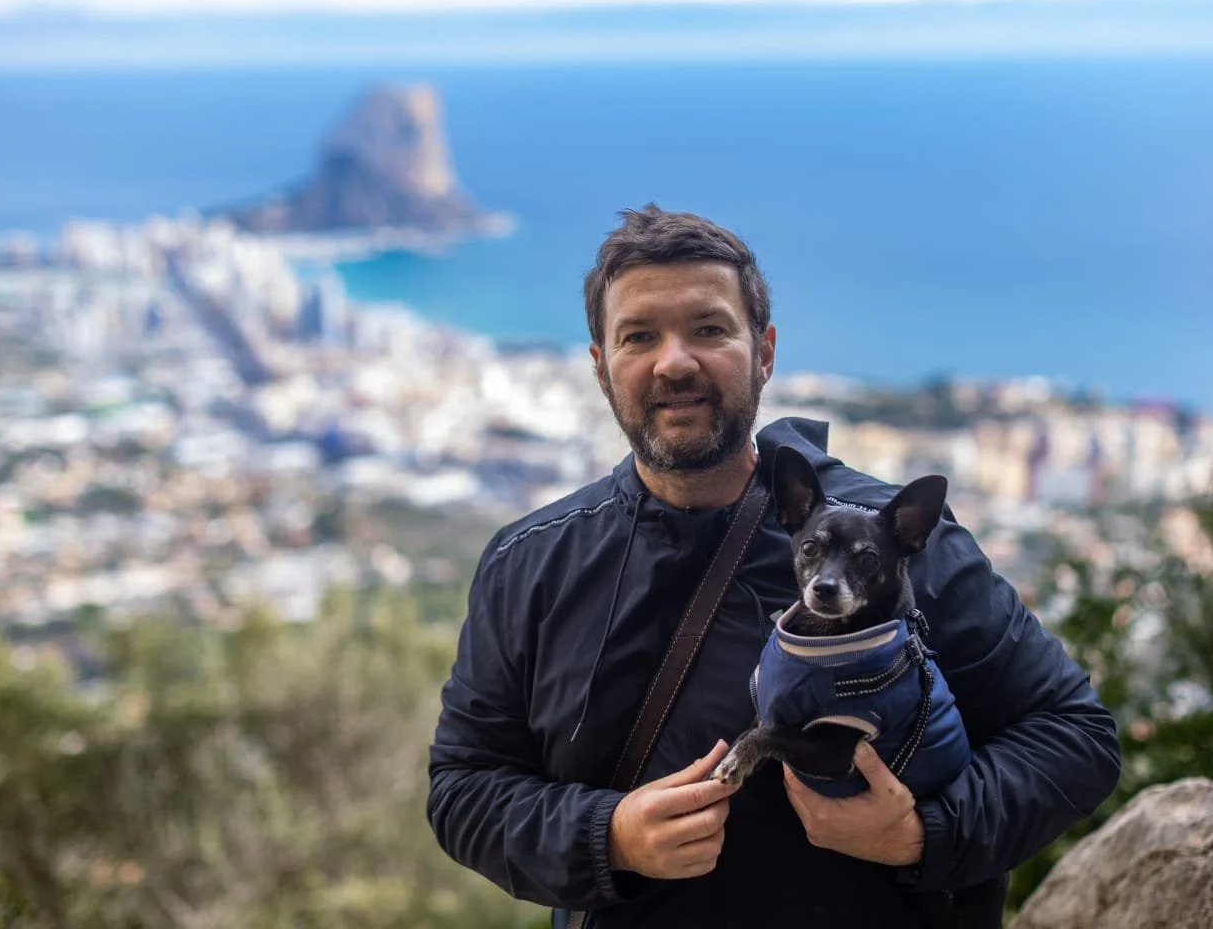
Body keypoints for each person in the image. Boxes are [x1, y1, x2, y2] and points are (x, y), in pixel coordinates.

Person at [427, 204, 1121, 928]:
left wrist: (924, 835)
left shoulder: (897, 546)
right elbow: (464, 789)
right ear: (602, 369)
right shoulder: (531, 565)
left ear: (764, 351)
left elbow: (1074, 735)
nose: (674, 361)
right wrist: (611, 836)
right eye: (639, 336)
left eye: (708, 329)